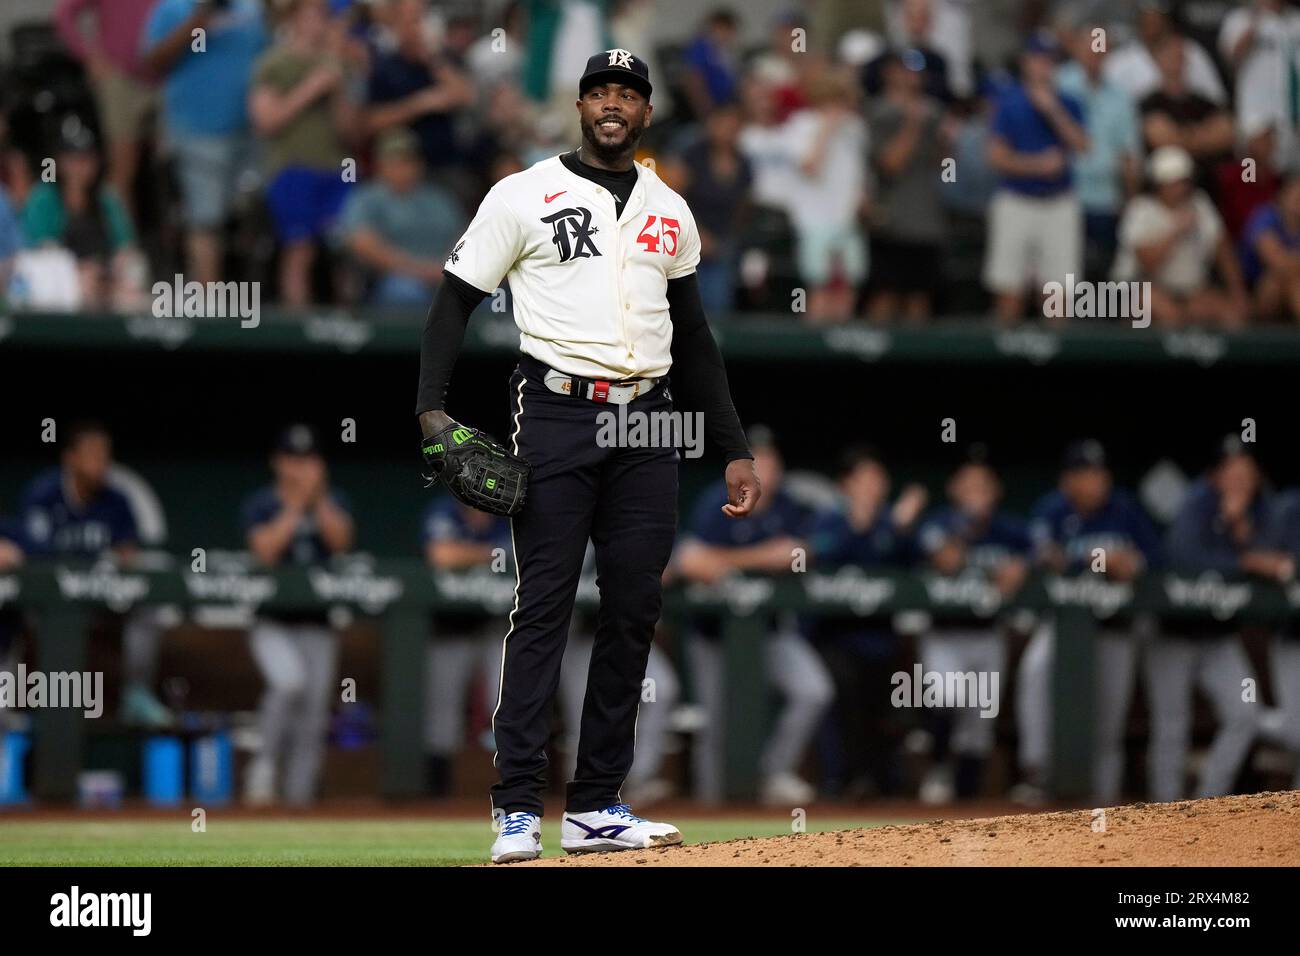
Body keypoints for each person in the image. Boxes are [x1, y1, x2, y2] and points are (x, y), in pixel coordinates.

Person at [414, 49, 758, 863]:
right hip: (560, 406)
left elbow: (697, 338)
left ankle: (598, 804)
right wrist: (431, 409)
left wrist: (734, 445)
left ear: (645, 113)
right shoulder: (524, 193)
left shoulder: (671, 206)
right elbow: (452, 303)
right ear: (580, 106)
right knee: (545, 606)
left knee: (635, 608)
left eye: (628, 94)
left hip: (652, 419)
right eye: (601, 91)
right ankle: (516, 809)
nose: (614, 104)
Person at [676, 428, 832, 807]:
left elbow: (804, 552)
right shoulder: (717, 500)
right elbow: (691, 560)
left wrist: (731, 562)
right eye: (756, 463)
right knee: (715, 723)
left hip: (771, 631)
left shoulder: (789, 507)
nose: (765, 472)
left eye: (772, 464)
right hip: (712, 635)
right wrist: (761, 558)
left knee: (814, 690)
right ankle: (709, 810)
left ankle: (773, 772)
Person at [1015, 440, 1161, 804]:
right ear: (1068, 481)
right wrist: (1100, 558)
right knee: (1035, 670)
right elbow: (1046, 557)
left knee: (1108, 719)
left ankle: (1104, 801)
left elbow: (1156, 561)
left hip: (1115, 625)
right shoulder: (1052, 509)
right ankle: (1038, 769)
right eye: (1086, 474)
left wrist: (1132, 565)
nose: (1096, 481)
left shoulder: (1124, 508)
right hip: (1064, 623)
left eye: (1100, 473)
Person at [17, 421, 172, 727]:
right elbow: (32, 556)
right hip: (52, 599)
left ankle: (136, 693)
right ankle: (33, 702)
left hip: (100, 597)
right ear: (70, 458)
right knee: (27, 614)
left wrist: (117, 564)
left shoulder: (116, 500)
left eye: (104, 456)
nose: (100, 464)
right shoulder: (43, 495)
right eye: (91, 455)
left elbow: (128, 555)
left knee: (147, 606)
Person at [1148, 438, 1271, 801]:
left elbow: (1273, 558)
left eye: (1247, 474)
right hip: (1173, 631)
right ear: (1215, 476)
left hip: (1218, 635)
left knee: (1245, 713)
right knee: (1172, 726)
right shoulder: (1195, 502)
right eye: (1232, 473)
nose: (1240, 481)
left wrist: (1239, 530)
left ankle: (1208, 804)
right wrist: (1241, 562)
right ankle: (1160, 815)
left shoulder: (1262, 507)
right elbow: (1184, 558)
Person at [241, 425, 354, 806]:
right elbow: (266, 552)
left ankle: (299, 799)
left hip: (318, 623)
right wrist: (294, 504)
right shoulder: (262, 503)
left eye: (307, 460)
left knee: (313, 715)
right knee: (289, 683)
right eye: (293, 459)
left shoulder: (333, 500)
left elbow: (340, 542)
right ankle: (263, 767)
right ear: (278, 462)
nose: (300, 467)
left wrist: (317, 498)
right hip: (271, 620)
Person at [805, 445, 924, 799]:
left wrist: (902, 529)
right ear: (846, 484)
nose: (873, 486)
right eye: (865, 479)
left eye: (878, 478)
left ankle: (885, 784)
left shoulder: (894, 521)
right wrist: (859, 525)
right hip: (833, 636)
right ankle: (838, 782)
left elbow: (922, 565)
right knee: (843, 691)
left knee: (894, 702)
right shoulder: (829, 518)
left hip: (882, 639)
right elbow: (819, 555)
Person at [915, 452, 1028, 803]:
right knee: (946, 696)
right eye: (969, 486)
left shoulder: (1010, 529)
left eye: (983, 487)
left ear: (996, 491)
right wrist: (968, 524)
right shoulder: (939, 523)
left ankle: (966, 805)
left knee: (979, 725)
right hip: (945, 634)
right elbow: (946, 558)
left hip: (988, 634)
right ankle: (937, 767)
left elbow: (1041, 554)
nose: (976, 494)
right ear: (954, 489)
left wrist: (1024, 565)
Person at [142, 0, 268, 286]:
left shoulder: (250, 9)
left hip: (248, 133)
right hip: (196, 132)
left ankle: (248, 302)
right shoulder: (173, 9)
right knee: (205, 219)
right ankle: (208, 307)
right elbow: (153, 62)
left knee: (252, 220)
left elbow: (267, 57)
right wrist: (197, 22)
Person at [248, 0, 358, 307]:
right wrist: (311, 87)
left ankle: (348, 328)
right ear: (294, 18)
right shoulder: (274, 63)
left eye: (325, 16)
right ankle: (297, 325)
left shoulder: (337, 64)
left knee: (345, 251)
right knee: (300, 250)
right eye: (313, 15)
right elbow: (266, 121)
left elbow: (350, 133)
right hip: (292, 169)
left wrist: (336, 92)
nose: (320, 22)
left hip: (337, 169)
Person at [983, 33, 1089, 324]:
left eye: (1050, 60)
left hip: (1059, 203)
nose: (1044, 66)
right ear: (1026, 62)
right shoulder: (1009, 102)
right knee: (1009, 290)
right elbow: (995, 157)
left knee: (1058, 295)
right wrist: (1037, 165)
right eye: (1039, 59)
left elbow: (1083, 146)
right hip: (1016, 201)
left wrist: (1052, 109)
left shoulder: (1069, 102)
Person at [421, 495, 509, 798]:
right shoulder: (445, 510)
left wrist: (470, 555)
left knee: (508, 694)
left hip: (498, 625)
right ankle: (437, 791)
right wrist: (489, 554)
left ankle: (517, 781)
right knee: (442, 709)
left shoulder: (508, 512)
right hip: (450, 627)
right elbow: (441, 555)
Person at [1112, 145, 1249, 327]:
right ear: (1159, 184)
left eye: (1184, 181)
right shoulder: (1140, 209)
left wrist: (1237, 293)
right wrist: (1176, 231)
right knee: (1166, 313)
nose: (1182, 188)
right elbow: (1148, 263)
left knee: (1231, 315)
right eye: (1174, 183)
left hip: (1191, 291)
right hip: (1143, 289)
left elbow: (1222, 250)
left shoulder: (1199, 204)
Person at [54, 0, 157, 223]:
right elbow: (64, 14)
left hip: (168, 77)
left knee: (174, 167)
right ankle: (125, 244)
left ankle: (174, 244)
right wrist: (89, 56)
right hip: (121, 79)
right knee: (123, 167)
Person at [21, 123, 144, 310]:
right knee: (83, 286)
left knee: (133, 287)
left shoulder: (106, 198)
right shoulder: (44, 197)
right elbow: (38, 253)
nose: (80, 166)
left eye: (86, 159)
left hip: (104, 278)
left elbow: (125, 248)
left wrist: (110, 272)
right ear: (60, 162)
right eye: (73, 159)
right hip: (58, 284)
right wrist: (76, 271)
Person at [866, 50, 950, 322]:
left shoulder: (934, 111)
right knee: (885, 294)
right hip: (891, 220)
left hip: (927, 221)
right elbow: (890, 165)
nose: (909, 76)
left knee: (920, 297)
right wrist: (914, 124)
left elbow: (947, 171)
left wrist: (946, 142)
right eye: (903, 69)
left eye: (915, 71)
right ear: (889, 72)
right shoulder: (877, 111)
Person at [336, 127, 465, 305]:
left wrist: (447, 268)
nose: (403, 168)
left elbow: (463, 237)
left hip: (443, 274)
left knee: (482, 296)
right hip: (392, 278)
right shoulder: (366, 197)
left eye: (408, 160)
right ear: (379, 164)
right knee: (406, 293)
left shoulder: (439, 198)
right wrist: (419, 270)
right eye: (394, 161)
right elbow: (362, 243)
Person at [1057, 25, 1142, 280]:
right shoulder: (1058, 84)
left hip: (1106, 200)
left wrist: (1131, 201)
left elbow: (1128, 154)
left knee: (1102, 280)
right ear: (1075, 48)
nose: (1095, 54)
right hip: (1063, 197)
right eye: (1090, 47)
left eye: (1100, 49)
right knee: (1063, 278)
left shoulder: (1120, 97)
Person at [784, 72, 869, 324]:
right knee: (818, 285)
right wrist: (826, 130)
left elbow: (857, 174)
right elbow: (809, 167)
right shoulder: (799, 125)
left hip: (847, 221)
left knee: (847, 286)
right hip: (814, 221)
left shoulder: (855, 128)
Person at [365, 0, 474, 180]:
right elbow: (371, 122)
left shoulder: (442, 60)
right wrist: (421, 104)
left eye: (419, 19)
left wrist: (432, 58)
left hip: (446, 165)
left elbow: (466, 96)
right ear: (396, 24)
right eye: (409, 21)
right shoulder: (385, 66)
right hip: (402, 170)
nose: (416, 28)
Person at [673, 101, 752, 314]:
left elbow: (743, 206)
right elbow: (672, 197)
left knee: (719, 304)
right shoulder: (693, 155)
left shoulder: (744, 162)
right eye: (724, 124)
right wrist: (697, 234)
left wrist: (728, 238)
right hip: (688, 242)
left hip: (722, 245)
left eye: (734, 125)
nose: (729, 130)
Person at [1138, 36, 1234, 192]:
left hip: (1206, 187)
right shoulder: (1148, 104)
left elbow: (1227, 132)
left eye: (1180, 55)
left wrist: (1182, 137)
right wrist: (1203, 135)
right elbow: (1162, 139)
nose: (1176, 60)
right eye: (1170, 55)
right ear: (1157, 60)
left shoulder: (1204, 103)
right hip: (1163, 192)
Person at [1219, 0, 1300, 172]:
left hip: (1291, 114)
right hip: (1256, 114)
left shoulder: (1295, 19)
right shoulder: (1240, 18)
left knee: (1289, 179)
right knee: (1252, 172)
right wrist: (1256, 20)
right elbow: (1231, 57)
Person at [1103, 0, 1226, 106]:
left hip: (1194, 123)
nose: (1153, 22)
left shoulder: (1191, 52)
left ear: (1167, 20)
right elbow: (1110, 107)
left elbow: (1216, 99)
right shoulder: (1120, 61)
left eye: (1157, 16)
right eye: (1147, 16)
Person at [1240, 170, 1300, 322]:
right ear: (1282, 194)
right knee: (1277, 282)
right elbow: (1278, 264)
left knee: (1295, 286)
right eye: (1295, 192)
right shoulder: (1264, 216)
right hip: (1254, 290)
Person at [681, 8, 743, 121]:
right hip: (709, 111)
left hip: (727, 106)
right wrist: (708, 114)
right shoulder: (700, 49)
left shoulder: (726, 52)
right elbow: (694, 83)